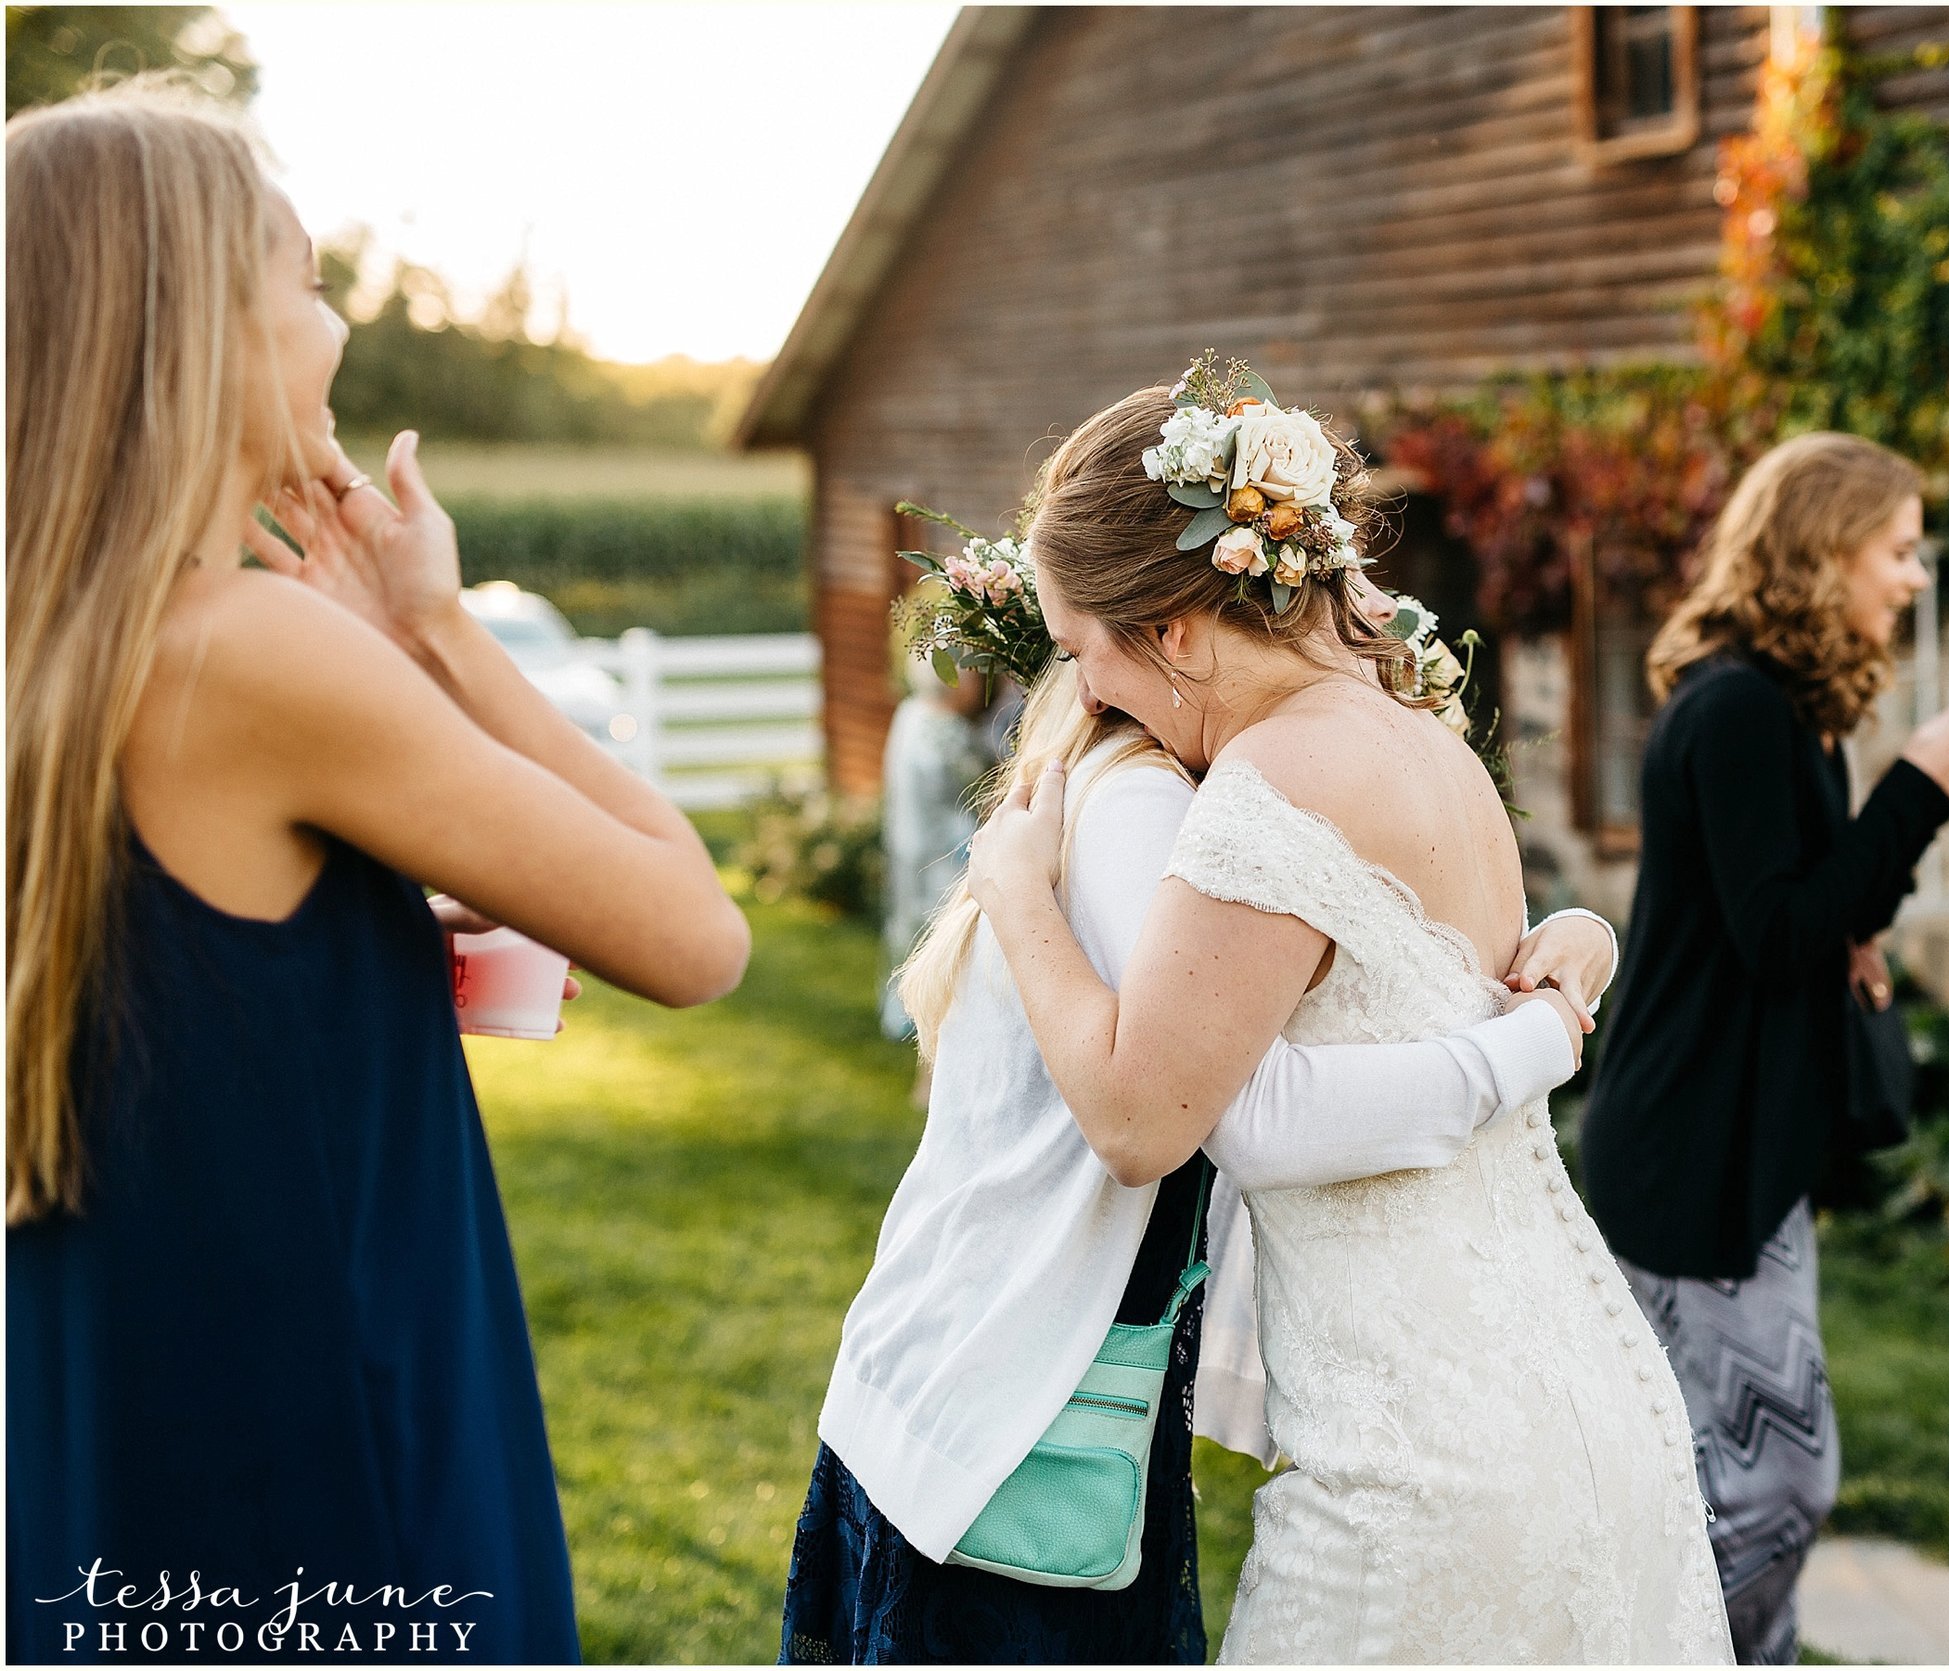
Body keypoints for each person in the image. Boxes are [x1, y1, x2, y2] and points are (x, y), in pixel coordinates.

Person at [6, 82, 750, 1662]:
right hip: (323, 1434)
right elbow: (694, 932)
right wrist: (436, 628)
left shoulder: (54, 653)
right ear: (201, 326)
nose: (334, 325)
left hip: (112, 1406)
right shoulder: (245, 656)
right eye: (306, 282)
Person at [965, 370, 1735, 1663]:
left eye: (1084, 646)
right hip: (1585, 1385)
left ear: (1180, 631)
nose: (1086, 692)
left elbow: (1145, 1115)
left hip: (1418, 1455)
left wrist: (1014, 891)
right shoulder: (1423, 734)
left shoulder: (1276, 785)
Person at [782, 657, 1613, 1664]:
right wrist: (1535, 1042)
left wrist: (1572, 935)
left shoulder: (1111, 787)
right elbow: (1238, 1111)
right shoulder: (1145, 807)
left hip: (957, 1387)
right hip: (1012, 1432)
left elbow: (1374, 974)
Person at [1576, 431, 1949, 1664]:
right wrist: (1919, 789)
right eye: (1895, 550)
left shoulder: (1792, 712)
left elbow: (1810, 908)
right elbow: (1776, 929)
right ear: (1822, 549)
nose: (1912, 575)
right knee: (1764, 1492)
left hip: (1744, 1142)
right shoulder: (1734, 709)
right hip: (1691, 1147)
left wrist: (1860, 917)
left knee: (1733, 1484)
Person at [878, 654, 992, 1046]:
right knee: (944, 941)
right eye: (974, 676)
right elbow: (983, 788)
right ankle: (935, 1025)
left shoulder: (909, 714)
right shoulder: (948, 733)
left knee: (909, 928)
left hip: (909, 842)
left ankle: (904, 1013)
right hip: (946, 853)